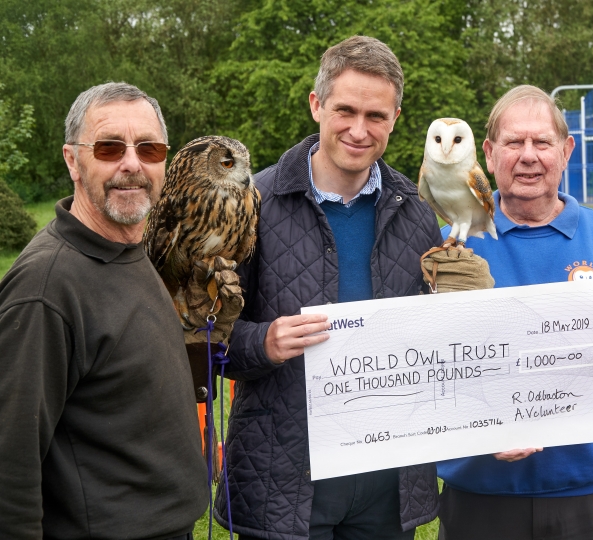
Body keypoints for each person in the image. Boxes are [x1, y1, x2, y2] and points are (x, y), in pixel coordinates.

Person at [214, 36, 442, 540]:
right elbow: (206, 336)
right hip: (287, 482)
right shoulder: (252, 203)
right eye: (345, 110)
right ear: (317, 105)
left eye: (376, 116)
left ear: (396, 118)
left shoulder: (417, 212)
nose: (360, 130)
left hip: (386, 480)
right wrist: (264, 342)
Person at [433, 85, 593, 540]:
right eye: (514, 143)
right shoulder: (449, 248)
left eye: (542, 143)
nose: (528, 156)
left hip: (589, 496)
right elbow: (420, 365)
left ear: (565, 151)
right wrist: (479, 431)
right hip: (479, 499)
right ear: (488, 155)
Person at [0, 82, 208, 539]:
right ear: (73, 161)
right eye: (110, 147)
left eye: (149, 149)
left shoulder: (132, 250)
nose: (132, 164)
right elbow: (10, 462)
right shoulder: (47, 288)